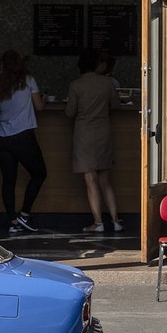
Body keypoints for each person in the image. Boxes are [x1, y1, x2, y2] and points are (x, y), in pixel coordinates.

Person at [66, 49, 121, 233]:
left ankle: (98, 222)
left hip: (84, 134)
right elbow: (116, 105)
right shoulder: (108, 83)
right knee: (105, 179)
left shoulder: (76, 85)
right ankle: (116, 220)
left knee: (91, 179)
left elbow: (70, 112)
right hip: (104, 132)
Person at [0, 50, 47, 234]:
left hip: (2, 136)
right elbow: (39, 106)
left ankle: (12, 221)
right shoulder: (28, 80)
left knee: (9, 180)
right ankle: (24, 214)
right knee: (39, 173)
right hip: (23, 136)